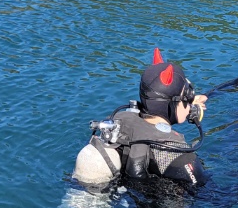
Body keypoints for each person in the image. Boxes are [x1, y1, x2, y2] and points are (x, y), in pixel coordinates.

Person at [73, 49, 209, 190]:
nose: (190, 100)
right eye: (187, 95)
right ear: (174, 103)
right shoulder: (180, 156)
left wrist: (186, 103)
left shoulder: (118, 121)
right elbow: (214, 199)